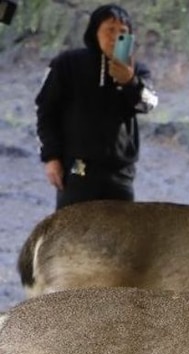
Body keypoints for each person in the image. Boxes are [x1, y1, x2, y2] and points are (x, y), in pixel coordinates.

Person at [35, 3, 158, 210]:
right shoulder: (67, 64)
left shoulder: (136, 70)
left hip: (119, 173)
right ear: (95, 31)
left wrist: (130, 82)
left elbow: (149, 103)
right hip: (77, 168)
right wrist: (51, 157)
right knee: (72, 235)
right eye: (110, 30)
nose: (115, 36)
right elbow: (45, 111)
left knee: (120, 238)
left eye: (122, 32)